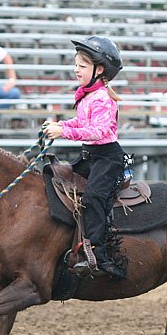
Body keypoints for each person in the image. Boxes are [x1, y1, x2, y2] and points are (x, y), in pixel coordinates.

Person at [42, 36, 127, 280]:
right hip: (91, 156)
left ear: (99, 70)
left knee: (93, 197)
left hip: (107, 158)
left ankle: (99, 256)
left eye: (82, 65)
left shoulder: (103, 99)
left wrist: (63, 132)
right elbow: (81, 123)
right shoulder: (88, 95)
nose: (76, 69)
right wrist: (60, 124)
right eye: (76, 64)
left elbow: (98, 132)